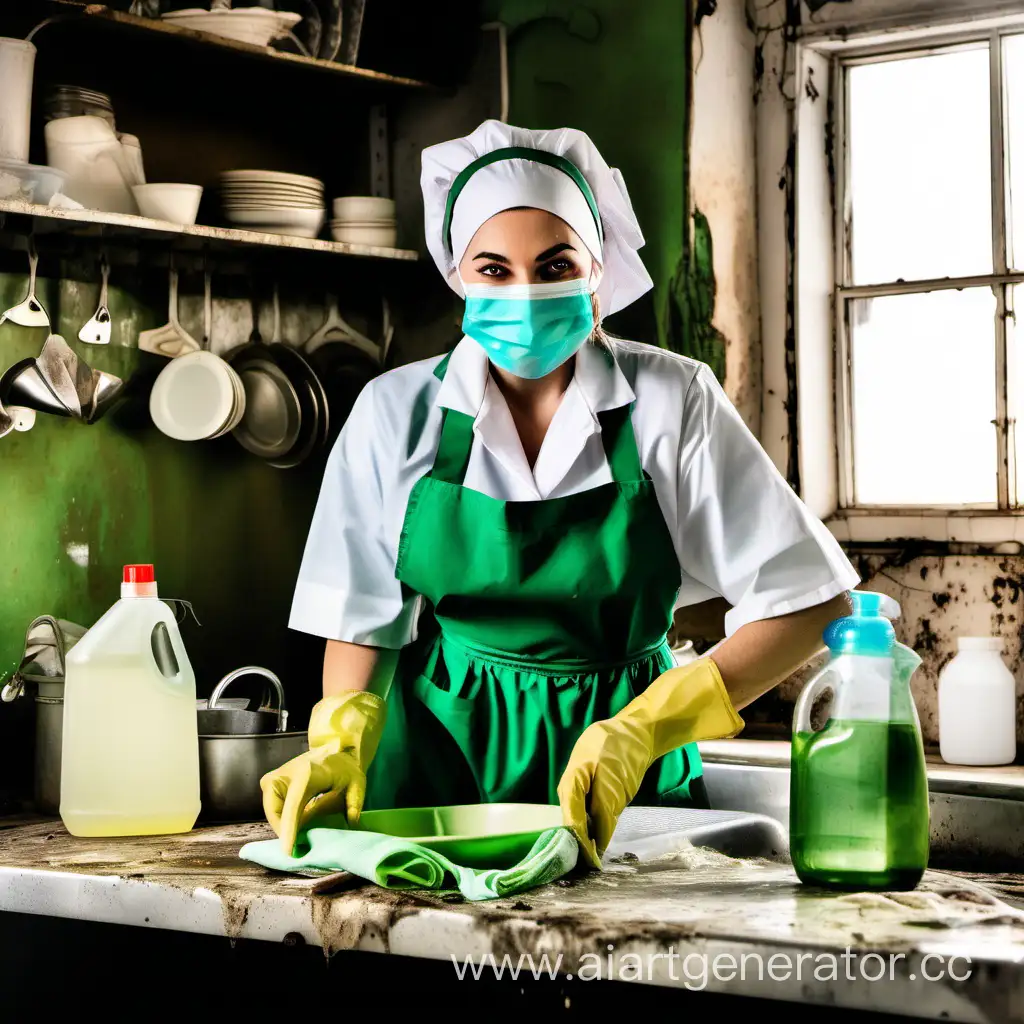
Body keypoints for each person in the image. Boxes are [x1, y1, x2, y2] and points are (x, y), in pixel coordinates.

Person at [262, 121, 859, 867]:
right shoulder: (395, 413)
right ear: (458, 277)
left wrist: (645, 730)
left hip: (624, 770)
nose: (525, 293)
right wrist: (341, 740)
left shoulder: (673, 400)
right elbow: (360, 615)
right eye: (494, 269)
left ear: (596, 270)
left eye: (553, 266)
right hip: (436, 770)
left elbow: (813, 601)